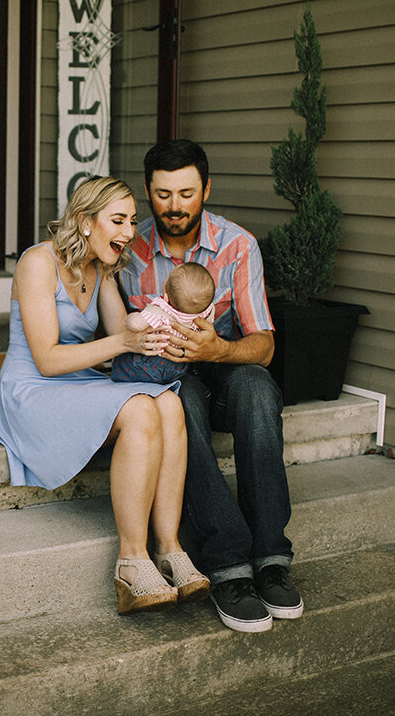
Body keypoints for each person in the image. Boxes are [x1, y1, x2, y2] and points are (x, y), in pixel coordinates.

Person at [0, 176, 210, 615]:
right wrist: (125, 343)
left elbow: (121, 331)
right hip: (32, 388)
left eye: (131, 220)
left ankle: (169, 547)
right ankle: (132, 559)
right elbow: (48, 360)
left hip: (78, 380)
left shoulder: (101, 269)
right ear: (86, 222)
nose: (130, 231)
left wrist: (168, 326)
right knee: (140, 411)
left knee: (168, 401)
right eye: (118, 220)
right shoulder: (37, 262)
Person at [118, 139, 303, 634]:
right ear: (147, 191)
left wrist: (216, 349)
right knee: (180, 405)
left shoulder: (237, 245)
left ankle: (270, 556)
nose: (174, 206)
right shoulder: (128, 251)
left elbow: (263, 346)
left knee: (258, 389)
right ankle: (228, 567)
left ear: (206, 189)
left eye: (185, 192)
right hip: (163, 375)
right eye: (162, 194)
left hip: (223, 366)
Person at [109, 262, 215, 385]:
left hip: (150, 362)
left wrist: (128, 318)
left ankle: (121, 380)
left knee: (124, 361)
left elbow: (136, 324)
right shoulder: (206, 310)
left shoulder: (160, 310)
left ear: (166, 296)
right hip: (178, 367)